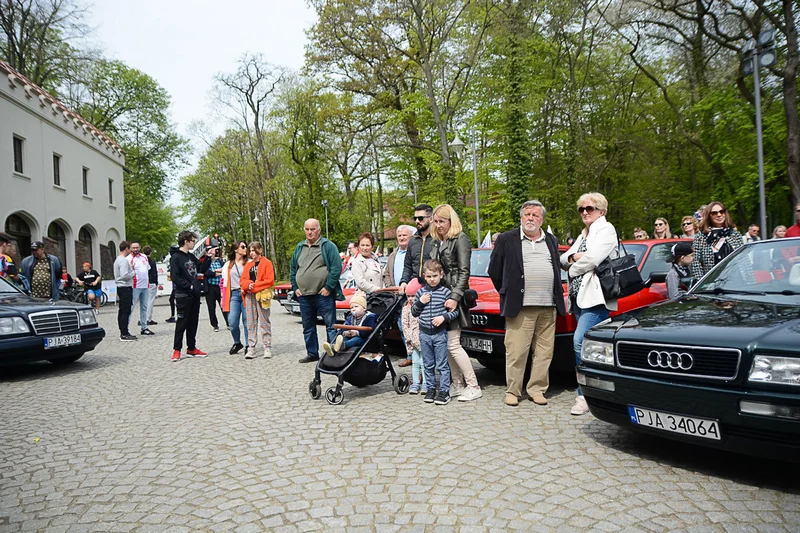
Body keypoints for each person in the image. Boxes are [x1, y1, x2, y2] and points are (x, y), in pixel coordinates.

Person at [488, 200, 566, 407]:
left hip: (548, 306)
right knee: (516, 351)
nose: (530, 218)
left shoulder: (551, 239)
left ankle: (537, 389)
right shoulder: (507, 239)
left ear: (542, 219)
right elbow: (494, 270)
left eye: (535, 215)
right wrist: (507, 292)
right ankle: (513, 391)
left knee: (544, 352)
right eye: (527, 214)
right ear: (521, 217)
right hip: (520, 306)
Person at [560, 192, 619, 416]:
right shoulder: (583, 233)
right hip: (578, 298)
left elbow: (593, 259)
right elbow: (563, 259)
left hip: (596, 297)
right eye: (581, 209)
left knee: (580, 342)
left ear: (601, 211)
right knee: (594, 347)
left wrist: (574, 263)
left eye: (590, 208)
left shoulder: (606, 230)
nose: (585, 212)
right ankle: (598, 389)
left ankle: (584, 394)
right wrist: (575, 258)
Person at [430, 203, 482, 402]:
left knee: (453, 344)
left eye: (441, 221)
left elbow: (463, 271)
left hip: (454, 297)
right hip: (439, 296)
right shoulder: (437, 241)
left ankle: (473, 385)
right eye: (435, 221)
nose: (438, 225)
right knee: (446, 344)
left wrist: (454, 297)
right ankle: (458, 383)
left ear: (451, 221)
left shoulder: (460, 239)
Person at [290, 219, 344, 363]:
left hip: (323, 295)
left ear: (319, 230)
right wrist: (295, 288)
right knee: (308, 328)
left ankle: (333, 353)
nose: (309, 232)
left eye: (313, 229)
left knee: (330, 326)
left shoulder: (327, 246)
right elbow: (293, 269)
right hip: (304, 295)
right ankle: (312, 353)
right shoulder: (299, 247)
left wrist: (328, 287)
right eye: (307, 229)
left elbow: (336, 268)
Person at [413, 259, 459, 405]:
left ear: (441, 275)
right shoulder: (421, 292)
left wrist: (443, 317)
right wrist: (420, 302)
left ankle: (444, 391)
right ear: (424, 276)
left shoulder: (446, 292)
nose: (432, 280)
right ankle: (431, 388)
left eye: (434, 276)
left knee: (442, 364)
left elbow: (454, 312)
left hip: (440, 334)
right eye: (428, 277)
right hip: (424, 334)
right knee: (428, 364)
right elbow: (414, 312)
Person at [170, 231, 208, 362]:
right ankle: (176, 350)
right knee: (182, 322)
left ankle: (191, 347)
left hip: (195, 295)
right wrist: (189, 286)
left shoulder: (191, 257)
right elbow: (175, 276)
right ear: (186, 241)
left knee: (193, 322)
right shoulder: (175, 257)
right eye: (193, 241)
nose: (194, 243)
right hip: (183, 295)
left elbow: (202, 268)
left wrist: (209, 257)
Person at [382, 224, 415, 367]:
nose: (401, 238)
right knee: (402, 326)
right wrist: (390, 287)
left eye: (404, 235)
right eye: (399, 236)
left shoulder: (414, 253)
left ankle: (416, 357)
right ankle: (410, 355)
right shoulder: (393, 255)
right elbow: (386, 274)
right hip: (396, 295)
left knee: (411, 326)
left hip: (411, 295)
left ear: (411, 237)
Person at [691, 201, 744, 278]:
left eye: (721, 212)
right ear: (709, 216)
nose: (719, 215)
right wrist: (702, 284)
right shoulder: (701, 237)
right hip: (713, 282)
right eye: (714, 213)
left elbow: (743, 259)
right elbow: (696, 263)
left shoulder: (734, 234)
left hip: (735, 279)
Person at [240, 241, 275, 359]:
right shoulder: (248, 265)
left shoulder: (267, 263)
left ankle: (267, 347)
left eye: (253, 250)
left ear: (260, 250)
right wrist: (248, 284)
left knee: (264, 321)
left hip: (262, 295)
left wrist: (255, 286)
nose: (251, 253)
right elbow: (243, 280)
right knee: (251, 322)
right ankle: (251, 347)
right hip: (250, 296)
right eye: (250, 251)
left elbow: (269, 280)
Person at [322, 293, 376, 357]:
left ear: (364, 308)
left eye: (356, 306)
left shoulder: (369, 317)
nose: (353, 309)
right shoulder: (351, 317)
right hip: (350, 337)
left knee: (356, 339)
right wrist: (345, 332)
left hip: (364, 339)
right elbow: (345, 326)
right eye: (351, 307)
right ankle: (333, 347)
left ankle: (341, 346)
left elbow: (369, 331)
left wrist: (357, 333)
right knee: (343, 337)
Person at [399, 204, 436, 292]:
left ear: (431, 219)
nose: (417, 221)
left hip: (434, 288)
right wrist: (404, 281)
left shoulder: (437, 239)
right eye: (415, 218)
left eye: (420, 218)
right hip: (415, 288)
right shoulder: (413, 240)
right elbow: (408, 266)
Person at [221, 241, 249, 355]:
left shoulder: (249, 263)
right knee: (232, 322)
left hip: (246, 294)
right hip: (233, 295)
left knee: (247, 321)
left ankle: (249, 345)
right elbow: (224, 281)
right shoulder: (228, 264)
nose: (245, 248)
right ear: (236, 249)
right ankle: (237, 342)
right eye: (242, 247)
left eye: (245, 246)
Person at [400, 282, 426, 394]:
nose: (411, 299)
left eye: (413, 296)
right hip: (412, 340)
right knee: (415, 362)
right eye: (408, 296)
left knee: (424, 363)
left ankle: (426, 383)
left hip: (423, 339)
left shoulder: (424, 308)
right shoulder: (406, 308)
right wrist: (409, 337)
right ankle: (415, 383)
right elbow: (404, 324)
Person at [128, 242, 154, 336]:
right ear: (130, 248)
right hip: (135, 286)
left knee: (144, 307)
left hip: (145, 285)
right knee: (131, 307)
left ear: (140, 248)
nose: (135, 249)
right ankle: (125, 328)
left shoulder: (144, 257)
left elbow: (147, 269)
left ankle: (144, 327)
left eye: (137, 247)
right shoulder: (129, 258)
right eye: (133, 248)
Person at [113, 241, 136, 342]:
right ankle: (124, 333)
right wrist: (133, 273)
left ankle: (124, 331)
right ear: (126, 248)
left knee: (122, 309)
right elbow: (124, 275)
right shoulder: (123, 260)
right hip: (124, 287)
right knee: (125, 310)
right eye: (130, 248)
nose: (131, 250)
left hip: (121, 287)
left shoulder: (118, 260)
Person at [203, 246, 225, 331]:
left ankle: (228, 323)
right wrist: (216, 272)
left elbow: (224, 270)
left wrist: (217, 272)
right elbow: (206, 272)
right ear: (206, 253)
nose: (212, 253)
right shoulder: (206, 262)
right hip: (210, 287)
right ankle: (215, 325)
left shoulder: (219, 261)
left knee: (223, 305)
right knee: (211, 307)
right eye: (210, 251)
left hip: (220, 287)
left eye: (213, 251)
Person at [142, 246, 158, 327]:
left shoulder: (141, 261)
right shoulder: (151, 261)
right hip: (151, 282)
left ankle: (142, 318)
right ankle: (148, 318)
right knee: (150, 301)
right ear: (150, 252)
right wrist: (156, 282)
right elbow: (154, 273)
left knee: (144, 301)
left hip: (143, 282)